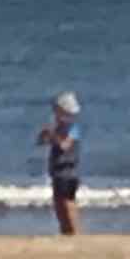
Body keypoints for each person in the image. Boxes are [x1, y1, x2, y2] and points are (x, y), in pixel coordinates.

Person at [35, 92, 84, 236]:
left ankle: (74, 231)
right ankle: (65, 230)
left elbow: (65, 145)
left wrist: (53, 136)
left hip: (68, 171)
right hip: (58, 171)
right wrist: (45, 135)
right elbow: (41, 142)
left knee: (67, 202)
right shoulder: (58, 127)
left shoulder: (72, 128)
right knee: (58, 203)